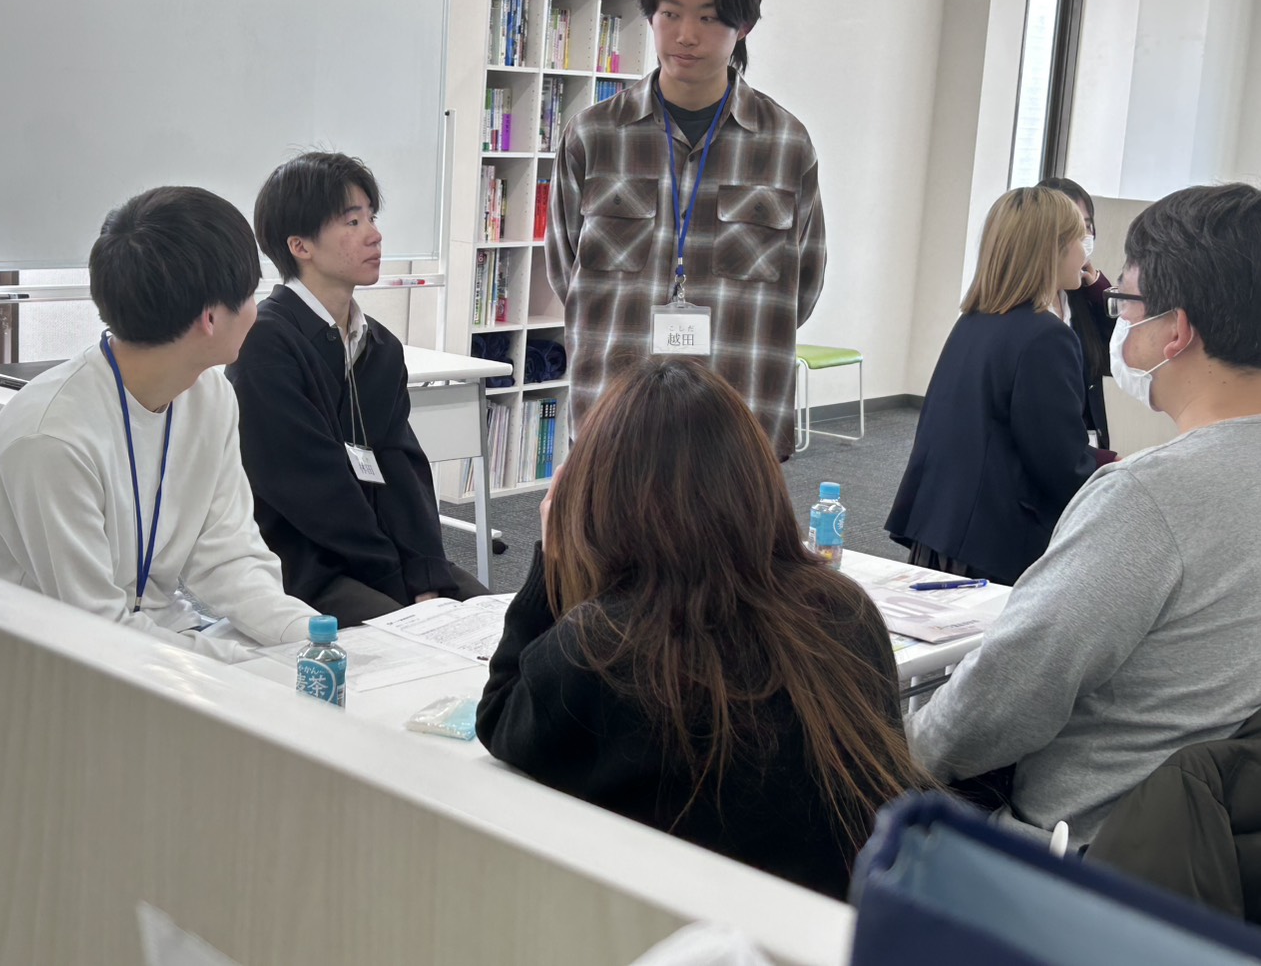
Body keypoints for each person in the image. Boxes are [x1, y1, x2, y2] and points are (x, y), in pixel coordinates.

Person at [475, 357, 929, 899]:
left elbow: (500, 719)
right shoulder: (844, 609)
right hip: (843, 924)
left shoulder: (602, 644)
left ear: (597, 498)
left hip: (693, 930)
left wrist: (552, 561)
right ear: (755, 482)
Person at [907, 182, 1261, 850]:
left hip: (1077, 845)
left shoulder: (1148, 499)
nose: (1117, 318)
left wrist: (892, 751)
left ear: (1176, 331)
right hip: (1208, 840)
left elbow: (1004, 700)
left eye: (1125, 303)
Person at [0, 186, 316, 661]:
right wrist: (246, 666)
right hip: (35, 662)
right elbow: (96, 628)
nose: (257, 308)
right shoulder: (51, 440)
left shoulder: (210, 398)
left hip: (149, 639)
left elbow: (228, 555)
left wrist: (309, 638)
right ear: (210, 318)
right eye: (249, 294)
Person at [545, 0, 826, 460]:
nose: (686, 35)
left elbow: (803, 285)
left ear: (744, 25)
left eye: (709, 17)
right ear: (650, 15)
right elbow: (565, 269)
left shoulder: (786, 145)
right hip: (615, 416)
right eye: (670, 14)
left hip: (739, 419)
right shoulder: (594, 135)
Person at [226, 151, 487, 627]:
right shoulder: (263, 343)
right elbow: (312, 491)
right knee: (419, 643)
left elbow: (402, 468)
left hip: (381, 558)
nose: (374, 234)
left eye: (371, 217)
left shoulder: (380, 346)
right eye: (352, 221)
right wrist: (398, 583)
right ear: (300, 246)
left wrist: (426, 574)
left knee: (498, 625)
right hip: (303, 568)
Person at [885, 187, 1100, 585]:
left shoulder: (974, 320)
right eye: (1078, 238)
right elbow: (1058, 461)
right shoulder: (1046, 336)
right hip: (994, 542)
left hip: (944, 527)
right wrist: (1112, 472)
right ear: (1052, 249)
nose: (1085, 250)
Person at [1038, 176, 1118, 450]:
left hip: (1087, 443)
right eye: (1073, 227)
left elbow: (1117, 354)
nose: (1084, 237)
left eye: (1087, 226)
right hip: (1055, 451)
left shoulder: (1079, 294)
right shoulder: (1023, 311)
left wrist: (1097, 287)